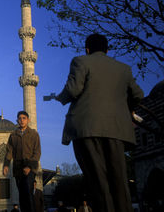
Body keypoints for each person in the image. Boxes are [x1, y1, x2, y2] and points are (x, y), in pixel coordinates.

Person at [56, 34, 144, 212]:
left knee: (98, 179)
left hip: (88, 129)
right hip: (117, 131)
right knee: (119, 179)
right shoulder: (123, 69)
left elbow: (73, 90)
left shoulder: (81, 61)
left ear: (87, 49)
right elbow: (138, 96)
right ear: (107, 49)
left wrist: (60, 97)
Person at [3, 111, 41, 212]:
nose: (22, 120)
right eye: (20, 118)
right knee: (22, 195)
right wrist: (6, 165)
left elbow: (37, 152)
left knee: (28, 193)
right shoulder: (13, 135)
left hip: (30, 168)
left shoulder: (33, 134)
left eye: (24, 118)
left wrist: (30, 167)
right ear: (17, 120)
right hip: (18, 168)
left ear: (28, 120)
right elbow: (9, 151)